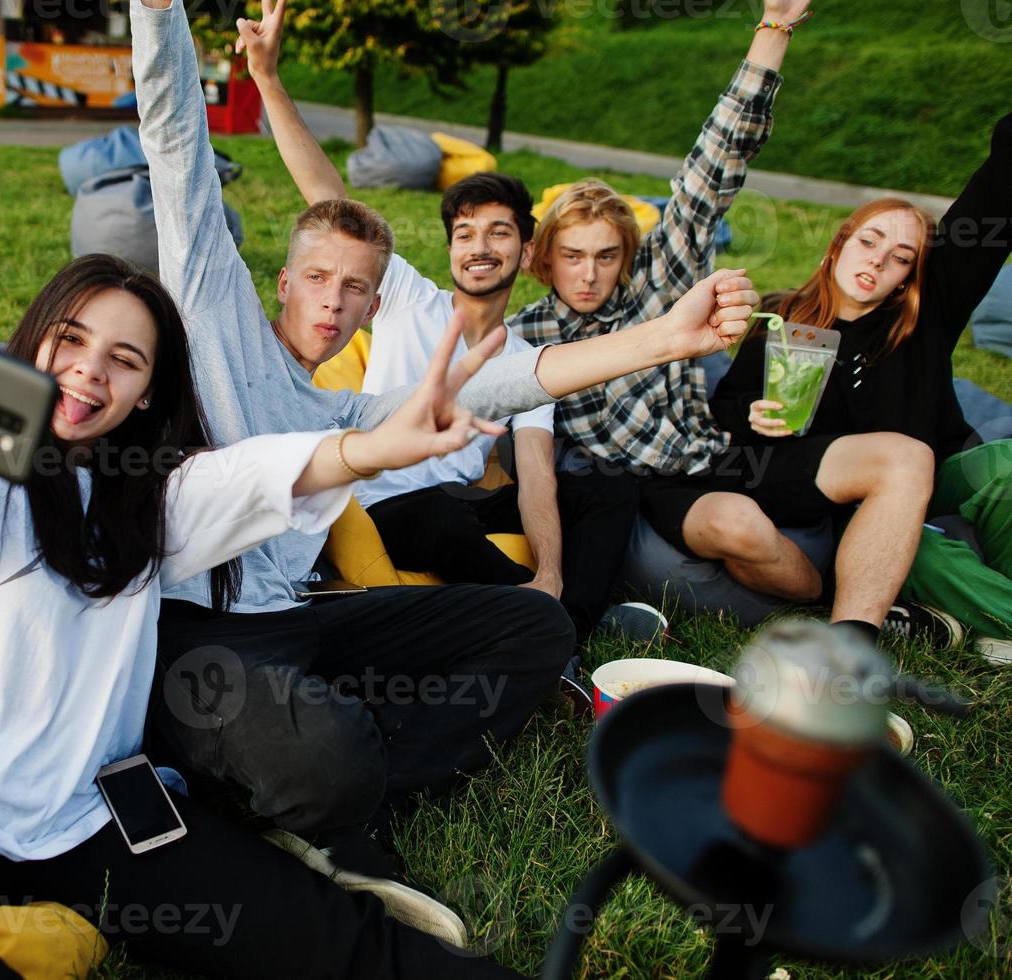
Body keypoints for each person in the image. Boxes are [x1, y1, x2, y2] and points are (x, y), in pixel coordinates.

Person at [0, 256, 538, 978]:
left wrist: (371, 448)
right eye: (70, 342)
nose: (91, 371)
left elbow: (248, 477)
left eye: (124, 360)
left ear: (144, 397)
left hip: (91, 820)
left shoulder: (155, 501)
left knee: (340, 943)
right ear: (30, 348)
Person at [133, 0, 757, 938]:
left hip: (302, 623)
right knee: (326, 753)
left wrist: (662, 336)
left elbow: (511, 384)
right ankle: (330, 786)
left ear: (373, 303)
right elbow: (175, 142)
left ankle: (334, 770)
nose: (331, 302)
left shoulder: (345, 411)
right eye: (316, 278)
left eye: (354, 289)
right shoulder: (214, 316)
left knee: (534, 625)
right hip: (197, 631)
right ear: (280, 279)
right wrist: (156, 12)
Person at [238, 0, 662, 646]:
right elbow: (327, 198)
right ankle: (547, 627)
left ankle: (560, 625)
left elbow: (536, 472)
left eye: (498, 233)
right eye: (464, 234)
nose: (479, 247)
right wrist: (268, 78)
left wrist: (548, 569)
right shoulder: (410, 297)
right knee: (439, 518)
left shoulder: (521, 351)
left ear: (524, 253)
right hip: (383, 499)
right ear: (450, 250)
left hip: (460, 500)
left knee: (605, 487)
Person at [509, 2, 935, 637]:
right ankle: (825, 604)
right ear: (542, 258)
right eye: (572, 257)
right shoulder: (527, 336)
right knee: (738, 525)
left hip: (725, 451)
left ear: (628, 254)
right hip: (658, 488)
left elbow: (711, 168)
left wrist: (775, 29)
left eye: (607, 255)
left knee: (906, 458)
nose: (591, 274)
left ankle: (857, 638)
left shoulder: (657, 281)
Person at [709, 111, 1012, 653]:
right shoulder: (784, 317)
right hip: (830, 491)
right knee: (921, 553)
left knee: (1004, 464)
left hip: (926, 475)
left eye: (901, 258)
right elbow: (727, 404)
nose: (879, 260)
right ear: (839, 244)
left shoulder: (921, 321)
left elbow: (993, 204)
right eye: (870, 241)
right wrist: (751, 412)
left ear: (908, 278)